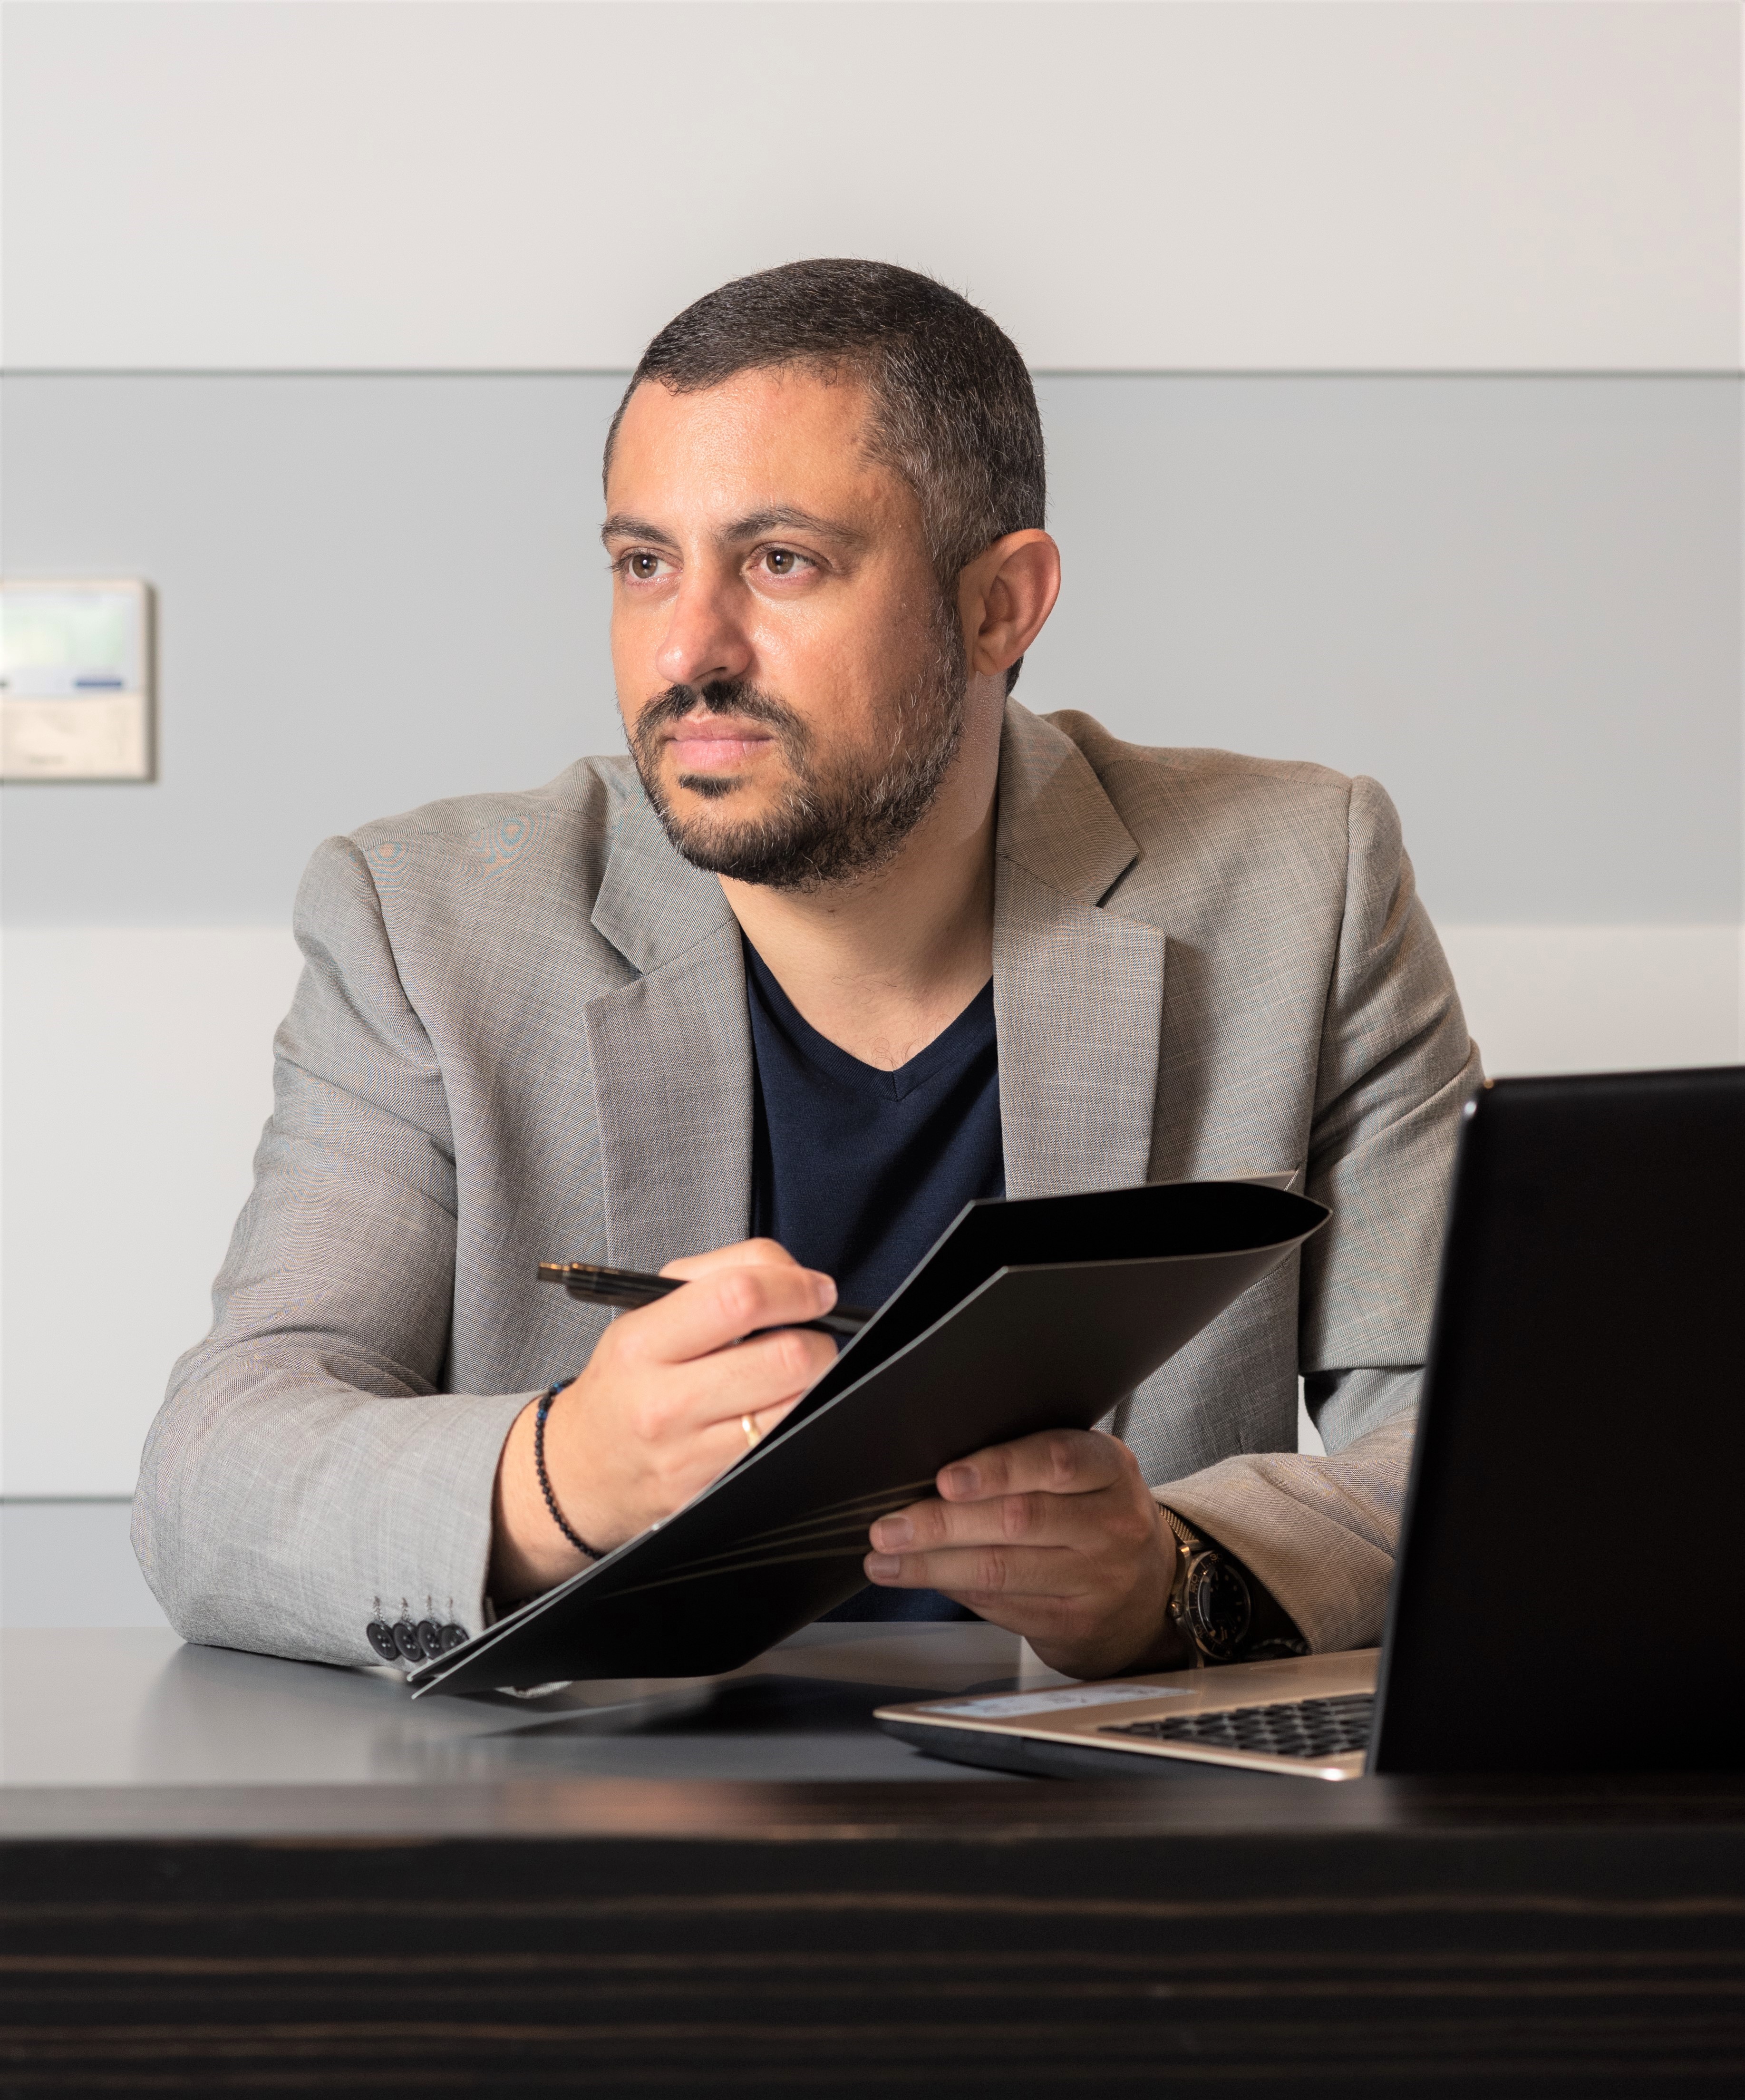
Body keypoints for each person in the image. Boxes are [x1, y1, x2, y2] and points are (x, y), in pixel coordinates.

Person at [134, 260, 1479, 1682]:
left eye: (781, 561)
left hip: (1102, 1793)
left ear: (1001, 605)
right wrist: (563, 1477)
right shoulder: (425, 923)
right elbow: (212, 1483)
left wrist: (1174, 1573)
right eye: (644, 563)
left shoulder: (1302, 885)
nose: (687, 649)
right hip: (597, 1796)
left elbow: (1485, 1442)